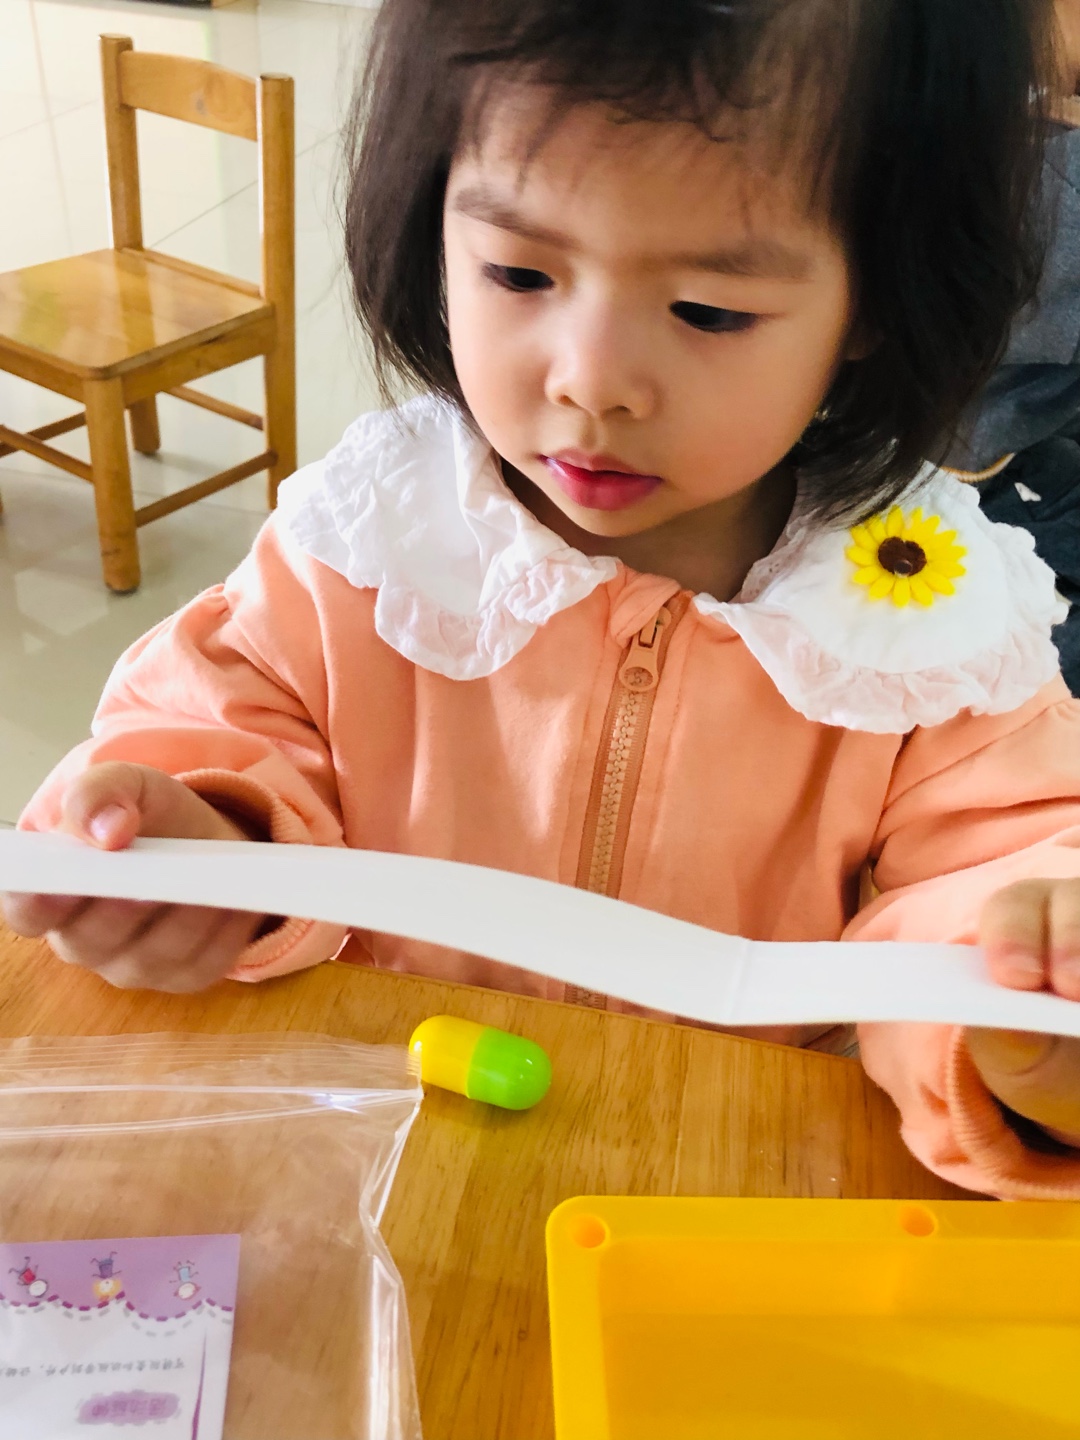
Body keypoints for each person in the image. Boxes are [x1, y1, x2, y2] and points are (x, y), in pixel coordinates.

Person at [5, 0, 1080, 1199]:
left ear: (877, 296)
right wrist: (213, 840)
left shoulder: (931, 623)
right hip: (395, 1140)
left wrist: (1015, 1006)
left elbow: (1011, 861)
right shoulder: (376, 537)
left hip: (712, 1168)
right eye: (519, 272)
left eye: (710, 311)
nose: (591, 382)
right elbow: (217, 718)